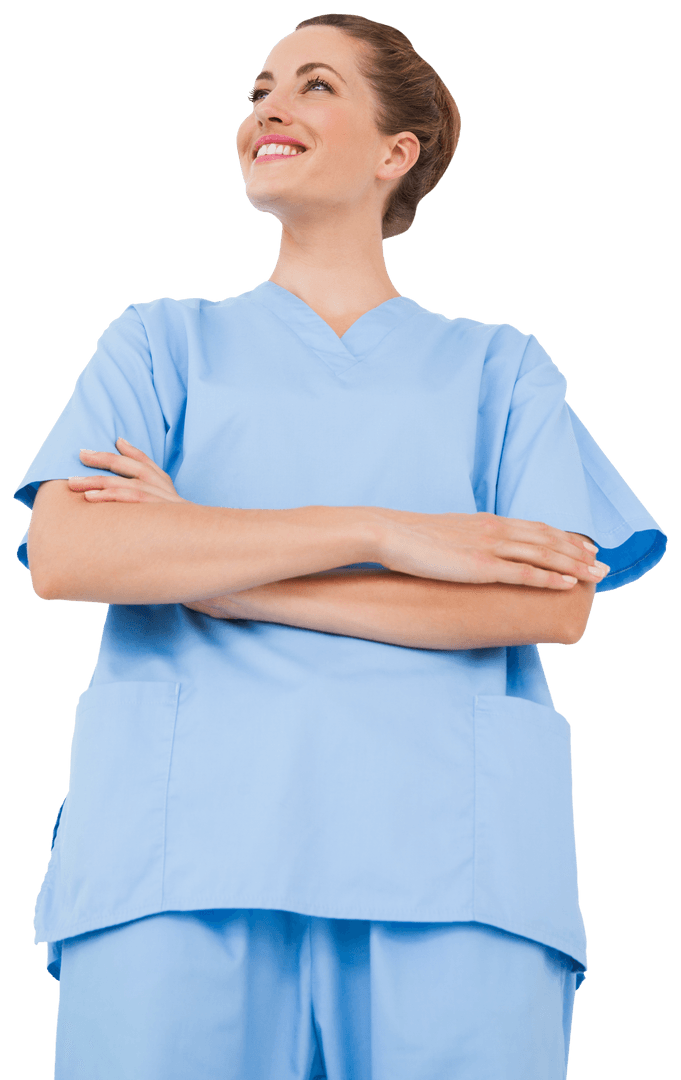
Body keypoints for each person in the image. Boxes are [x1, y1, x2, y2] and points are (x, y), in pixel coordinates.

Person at [13, 12, 666, 1080]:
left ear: (395, 152)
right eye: (260, 86)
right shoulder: (161, 344)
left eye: (314, 86)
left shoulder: (500, 371)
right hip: (182, 868)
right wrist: (385, 532)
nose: (267, 108)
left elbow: (550, 603)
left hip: (451, 876)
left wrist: (224, 579)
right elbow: (71, 554)